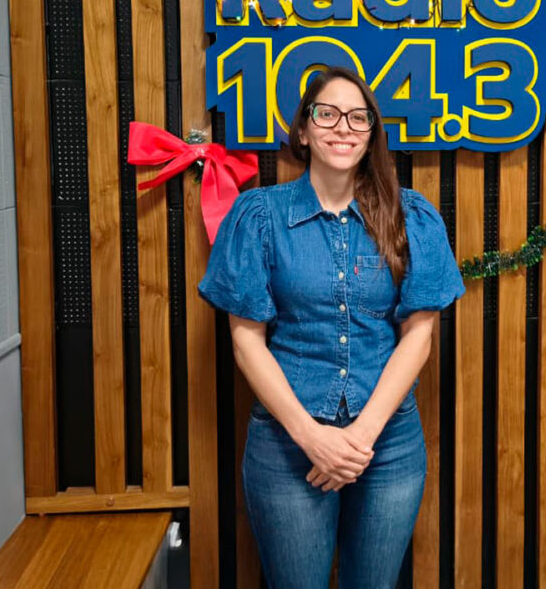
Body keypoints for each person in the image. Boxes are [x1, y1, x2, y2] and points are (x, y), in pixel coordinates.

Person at [198, 66, 465, 588]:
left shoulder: (410, 216)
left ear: (371, 134)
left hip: (387, 447)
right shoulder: (259, 216)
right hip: (286, 446)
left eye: (358, 118)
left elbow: (419, 334)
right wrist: (312, 439)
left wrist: (359, 438)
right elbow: (245, 340)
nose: (343, 127)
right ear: (303, 129)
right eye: (327, 114)